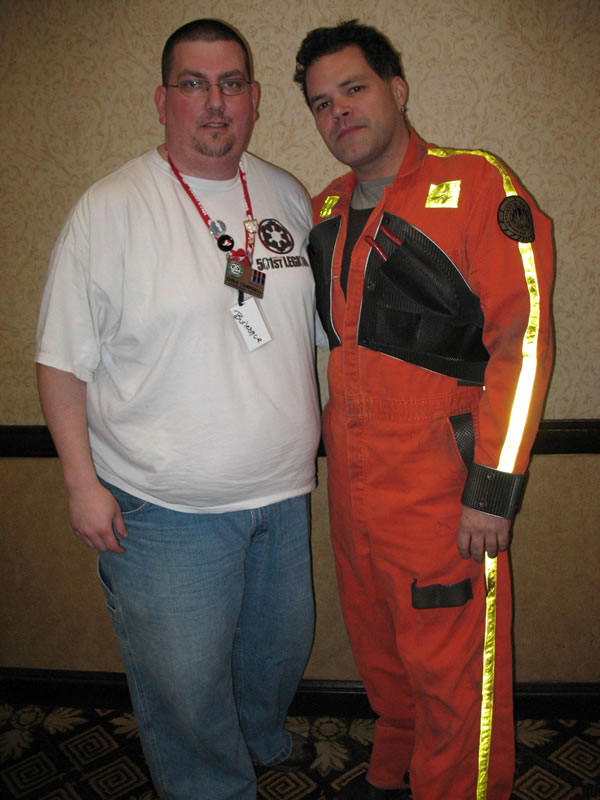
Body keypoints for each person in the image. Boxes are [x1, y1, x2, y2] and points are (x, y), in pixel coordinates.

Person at [36, 18, 321, 800]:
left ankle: (258, 745)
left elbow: (309, 338)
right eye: (194, 84)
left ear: (254, 98)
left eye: (230, 83)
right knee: (187, 692)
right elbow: (60, 359)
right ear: (163, 101)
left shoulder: (288, 196)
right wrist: (80, 484)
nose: (214, 102)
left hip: (282, 497)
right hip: (165, 511)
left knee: (274, 656)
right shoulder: (110, 209)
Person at [294, 20, 554, 800]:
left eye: (354, 89)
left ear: (397, 89)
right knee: (384, 663)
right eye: (320, 103)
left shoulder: (477, 185)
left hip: (444, 501)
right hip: (355, 498)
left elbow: (523, 340)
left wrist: (493, 489)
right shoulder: (324, 211)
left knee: (454, 686)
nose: (338, 112)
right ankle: (394, 776)